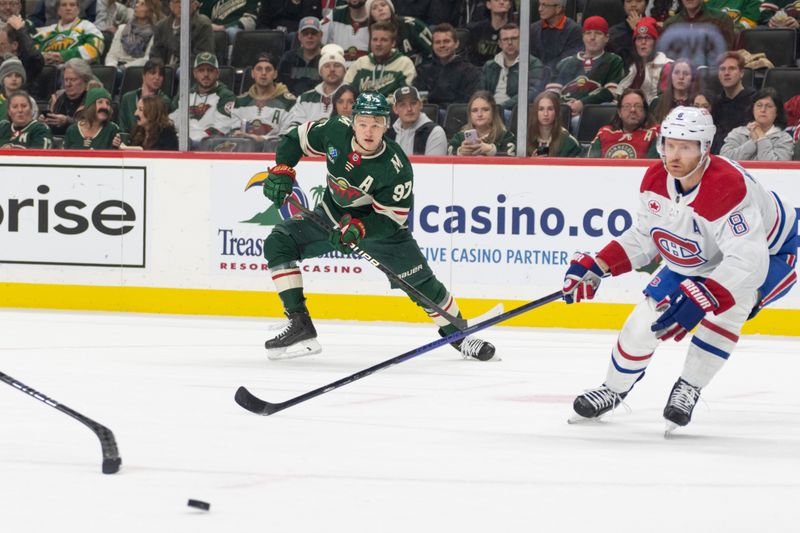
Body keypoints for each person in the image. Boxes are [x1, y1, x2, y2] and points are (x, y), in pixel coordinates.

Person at [562, 106, 797, 433]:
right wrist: (598, 265)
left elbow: (748, 262)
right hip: (701, 254)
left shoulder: (727, 187)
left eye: (686, 147)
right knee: (641, 324)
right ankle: (613, 389)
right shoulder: (656, 178)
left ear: (705, 148)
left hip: (769, 254)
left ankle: (689, 385)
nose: (674, 155)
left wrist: (707, 296)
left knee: (728, 311)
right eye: (670, 144)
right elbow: (646, 236)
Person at [257, 91, 496, 361]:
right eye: (362, 123)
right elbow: (296, 139)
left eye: (376, 124)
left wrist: (359, 229)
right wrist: (283, 170)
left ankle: (460, 336)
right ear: (352, 120)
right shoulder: (335, 130)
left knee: (423, 285)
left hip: (381, 231)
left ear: (386, 125)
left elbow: (390, 218)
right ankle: (300, 323)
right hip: (331, 216)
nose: (368, 132)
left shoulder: (395, 167)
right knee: (279, 241)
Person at [547, 16, 624, 119]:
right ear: (583, 37)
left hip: (593, 115)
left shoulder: (613, 61)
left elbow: (611, 92)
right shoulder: (565, 63)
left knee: (577, 121)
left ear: (606, 38)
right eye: (588, 33)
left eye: (598, 33)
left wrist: (582, 104)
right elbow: (551, 93)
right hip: (563, 112)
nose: (592, 37)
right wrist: (566, 107)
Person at [168, 51, 235, 147]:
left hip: (208, 146)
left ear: (217, 73)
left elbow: (224, 126)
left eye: (210, 70)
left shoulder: (226, 96)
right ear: (195, 73)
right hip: (180, 143)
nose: (206, 74)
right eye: (201, 70)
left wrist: (195, 137)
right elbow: (171, 120)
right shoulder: (184, 95)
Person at [229, 53, 296, 146]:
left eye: (268, 69)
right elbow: (232, 132)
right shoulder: (240, 102)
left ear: (275, 74)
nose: (263, 73)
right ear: (252, 73)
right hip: (245, 154)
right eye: (259, 69)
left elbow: (289, 136)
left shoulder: (289, 102)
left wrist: (261, 139)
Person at [478, 23, 544, 113]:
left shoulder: (533, 63)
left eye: (514, 38)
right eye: (505, 39)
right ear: (500, 44)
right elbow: (481, 93)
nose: (509, 43)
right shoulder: (489, 66)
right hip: (490, 111)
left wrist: (499, 108)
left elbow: (531, 93)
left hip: (516, 112)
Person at [344, 20, 416, 98]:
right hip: (361, 109)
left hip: (391, 109)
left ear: (393, 43)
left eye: (384, 40)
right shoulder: (360, 64)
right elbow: (345, 92)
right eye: (375, 39)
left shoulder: (404, 64)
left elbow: (405, 97)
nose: (378, 44)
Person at [414, 23, 480, 108]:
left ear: (456, 44)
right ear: (433, 46)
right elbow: (417, 98)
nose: (442, 45)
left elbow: (466, 103)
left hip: (452, 116)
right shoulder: (423, 71)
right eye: (437, 42)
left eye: (446, 41)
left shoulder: (471, 72)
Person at [283, 46, 347, 132]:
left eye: (337, 65)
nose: (332, 69)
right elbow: (293, 128)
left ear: (345, 70)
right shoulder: (305, 98)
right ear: (320, 71)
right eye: (327, 66)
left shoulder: (355, 97)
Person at [720, 88, 794, 161]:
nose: (763, 110)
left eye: (769, 106)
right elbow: (725, 159)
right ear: (753, 109)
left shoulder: (784, 139)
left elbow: (776, 168)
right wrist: (753, 142)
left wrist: (761, 137)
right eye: (759, 105)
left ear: (777, 112)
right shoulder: (738, 133)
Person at [614, 17, 672, 104]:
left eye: (647, 38)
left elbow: (664, 100)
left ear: (655, 42)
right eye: (639, 38)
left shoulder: (666, 65)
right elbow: (619, 93)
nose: (643, 42)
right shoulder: (632, 66)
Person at [588, 88, 659, 158]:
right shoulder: (604, 133)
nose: (632, 110)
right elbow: (590, 164)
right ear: (619, 112)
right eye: (627, 106)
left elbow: (652, 167)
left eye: (638, 106)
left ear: (645, 111)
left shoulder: (654, 133)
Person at [711, 51, 757, 154]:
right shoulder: (715, 103)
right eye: (722, 69)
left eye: (732, 68)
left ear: (741, 73)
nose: (726, 73)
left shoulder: (755, 101)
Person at [34, 0, 105, 65]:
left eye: (72, 5)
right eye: (64, 5)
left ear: (78, 10)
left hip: (79, 72)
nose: (68, 8)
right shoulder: (46, 31)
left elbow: (94, 49)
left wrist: (63, 56)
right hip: (49, 71)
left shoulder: (88, 26)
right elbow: (32, 52)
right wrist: (43, 57)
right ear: (58, 10)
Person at [447, 90, 516, 156]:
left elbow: (512, 159)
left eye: (485, 110)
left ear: (494, 113)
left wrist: (491, 150)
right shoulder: (459, 138)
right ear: (469, 114)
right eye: (474, 110)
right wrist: (460, 152)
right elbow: (447, 159)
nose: (479, 114)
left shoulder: (506, 136)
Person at [150, 0, 213, 66]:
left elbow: (202, 58)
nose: (181, 6)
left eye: (185, 2)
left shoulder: (203, 24)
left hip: (191, 71)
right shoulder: (161, 26)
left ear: (194, 4)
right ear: (170, 5)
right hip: (164, 72)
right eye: (177, 2)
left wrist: (173, 68)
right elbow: (155, 55)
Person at [366, 0, 432, 65]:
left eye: (383, 5)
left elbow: (431, 52)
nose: (380, 9)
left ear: (390, 8)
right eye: (374, 8)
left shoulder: (411, 25)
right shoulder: (373, 35)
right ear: (371, 16)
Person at [387, 85, 447, 155]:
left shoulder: (435, 132)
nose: (409, 109)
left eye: (413, 103)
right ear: (395, 109)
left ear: (421, 105)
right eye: (403, 105)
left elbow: (433, 166)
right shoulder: (389, 135)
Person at [117, 57, 170, 133]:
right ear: (144, 75)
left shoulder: (164, 101)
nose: (157, 78)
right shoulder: (127, 98)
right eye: (153, 73)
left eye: (161, 75)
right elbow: (122, 127)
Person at [104, 0, 163, 68]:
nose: (137, 5)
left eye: (142, 4)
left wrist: (124, 68)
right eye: (137, 2)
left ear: (151, 10)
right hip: (116, 67)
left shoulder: (155, 33)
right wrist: (112, 68)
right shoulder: (122, 29)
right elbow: (111, 55)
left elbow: (147, 59)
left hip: (136, 69)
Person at [41, 57, 90, 135]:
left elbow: (92, 126)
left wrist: (67, 121)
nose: (68, 84)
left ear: (85, 81)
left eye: (73, 80)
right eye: (66, 80)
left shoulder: (93, 100)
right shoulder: (56, 98)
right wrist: (44, 122)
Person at [529, 0, 583, 71]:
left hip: (562, 77)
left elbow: (568, 60)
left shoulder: (574, 31)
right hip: (535, 76)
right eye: (539, 4)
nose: (540, 9)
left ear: (558, 8)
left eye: (544, 5)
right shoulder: (532, 29)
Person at [276, 16, 323, 96]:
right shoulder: (288, 58)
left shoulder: (327, 58)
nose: (309, 36)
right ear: (299, 36)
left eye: (313, 33)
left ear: (321, 35)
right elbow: (279, 85)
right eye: (305, 33)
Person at [526, 90, 581, 157]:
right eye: (541, 109)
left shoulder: (568, 142)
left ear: (556, 112)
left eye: (550, 109)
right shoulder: (524, 138)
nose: (545, 114)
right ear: (535, 112)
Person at [649, 58, 698, 123]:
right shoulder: (657, 102)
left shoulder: (698, 102)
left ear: (692, 78)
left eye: (686, 73)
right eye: (676, 73)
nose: (681, 77)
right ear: (670, 76)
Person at [0, 15, 44, 84]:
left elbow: (34, 56)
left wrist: (21, 30)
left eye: (2, 44)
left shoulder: (28, 64)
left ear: (14, 45)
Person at [466, 0, 511, 66]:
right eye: (497, 0)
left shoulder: (516, 31)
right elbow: (470, 58)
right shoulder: (476, 30)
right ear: (488, 4)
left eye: (505, 0)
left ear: (510, 5)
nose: (501, 2)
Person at [607, 0, 648, 69]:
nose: (633, 5)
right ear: (623, 5)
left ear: (646, 4)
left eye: (639, 1)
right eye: (628, 1)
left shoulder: (655, 29)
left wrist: (638, 30)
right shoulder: (613, 32)